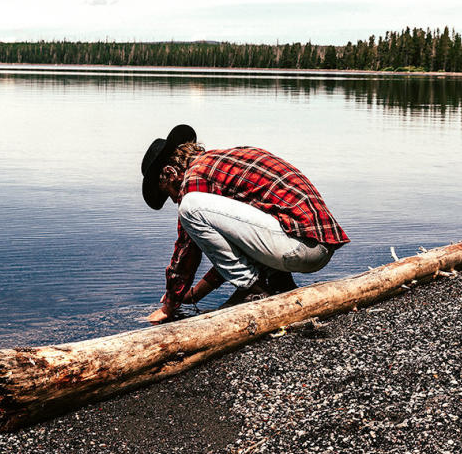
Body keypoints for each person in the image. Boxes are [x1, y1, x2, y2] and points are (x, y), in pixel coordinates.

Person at [141, 124, 349, 324]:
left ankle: (254, 291)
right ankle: (279, 285)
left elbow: (187, 250)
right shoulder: (225, 160)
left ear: (170, 173)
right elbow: (237, 246)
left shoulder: (195, 177)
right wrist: (195, 294)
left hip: (299, 248)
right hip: (314, 246)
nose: (173, 198)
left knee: (190, 207)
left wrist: (170, 304)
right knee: (257, 216)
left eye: (167, 191)